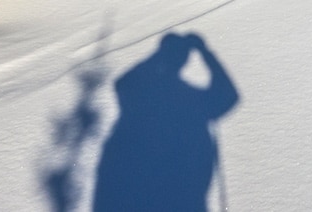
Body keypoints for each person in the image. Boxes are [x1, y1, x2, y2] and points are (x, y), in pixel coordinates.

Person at [93, 32, 238, 212]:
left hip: (137, 192)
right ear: (184, 61)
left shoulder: (140, 95)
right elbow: (228, 95)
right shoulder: (193, 100)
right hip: (184, 195)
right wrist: (205, 52)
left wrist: (160, 56)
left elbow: (123, 82)